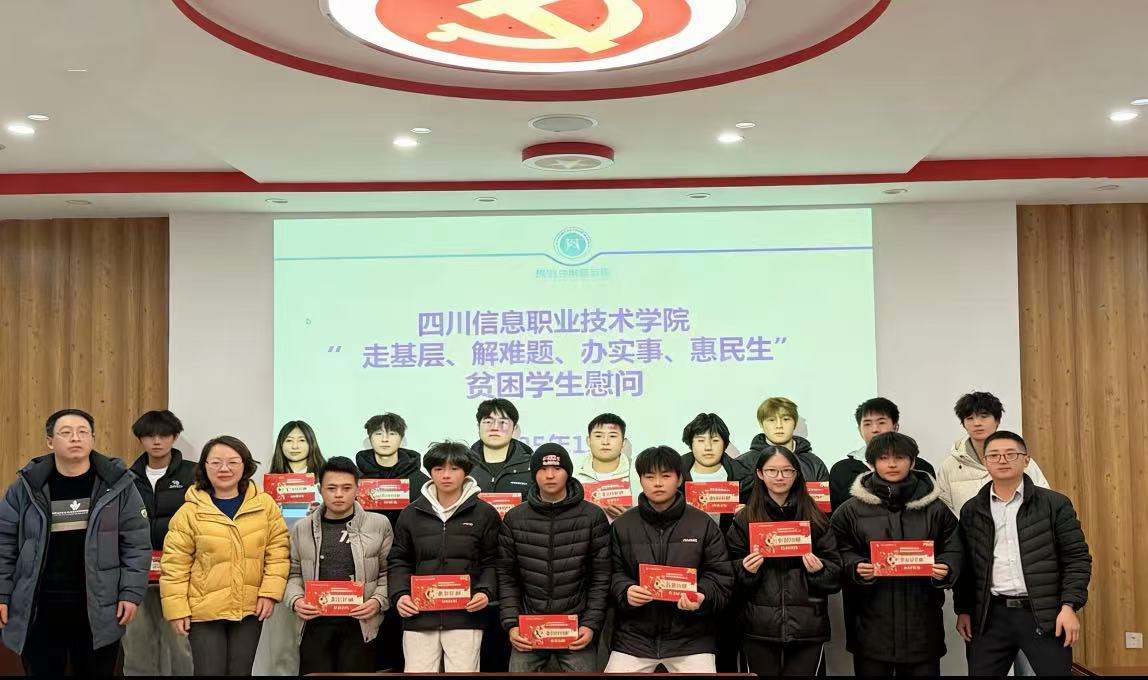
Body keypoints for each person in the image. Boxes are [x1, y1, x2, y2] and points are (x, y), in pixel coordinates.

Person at [0, 409, 151, 676]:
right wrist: (2, 594)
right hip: (39, 606)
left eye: (83, 432)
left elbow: (136, 544)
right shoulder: (26, 487)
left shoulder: (118, 486)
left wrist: (130, 593)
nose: (75, 438)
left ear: (92, 439)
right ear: (50, 442)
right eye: (66, 432)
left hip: (99, 607)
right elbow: (4, 543)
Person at [955, 431, 1091, 676]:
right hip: (990, 615)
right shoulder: (972, 509)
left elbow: (1076, 558)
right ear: (985, 462)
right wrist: (963, 609)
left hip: (1043, 613)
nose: (1002, 460)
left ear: (1026, 460)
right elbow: (967, 566)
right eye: (994, 455)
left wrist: (1069, 606)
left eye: (1011, 454)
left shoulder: (1054, 504)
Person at [831, 432, 962, 676]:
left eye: (900, 457)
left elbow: (954, 546)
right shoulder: (850, 510)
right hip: (869, 627)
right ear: (872, 463)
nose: (892, 464)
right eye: (884, 458)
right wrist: (855, 566)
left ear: (912, 461)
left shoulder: (935, 508)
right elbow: (835, 550)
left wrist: (946, 566)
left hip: (922, 627)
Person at [160, 435, 290, 676]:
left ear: (245, 465)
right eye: (216, 462)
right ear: (204, 466)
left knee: (241, 672)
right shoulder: (189, 512)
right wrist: (177, 609)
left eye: (232, 462)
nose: (224, 468)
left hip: (249, 608)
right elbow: (174, 565)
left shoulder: (264, 505)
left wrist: (270, 593)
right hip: (203, 611)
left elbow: (278, 552)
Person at [605, 445, 734, 673]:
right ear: (640, 479)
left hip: (692, 639)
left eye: (665, 476)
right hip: (633, 639)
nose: (657, 483)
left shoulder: (703, 524)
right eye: (649, 476)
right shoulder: (622, 525)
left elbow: (721, 577)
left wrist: (701, 595)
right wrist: (625, 590)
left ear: (679, 478)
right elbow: (610, 573)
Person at [726, 445, 842, 676]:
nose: (780, 477)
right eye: (772, 470)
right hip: (757, 627)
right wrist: (745, 569)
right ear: (760, 473)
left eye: (787, 471)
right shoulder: (745, 518)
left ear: (796, 474)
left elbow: (836, 573)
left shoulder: (815, 518)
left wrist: (820, 570)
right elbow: (727, 572)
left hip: (807, 627)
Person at [388, 441, 500, 673]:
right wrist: (400, 595)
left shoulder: (485, 513)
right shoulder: (411, 513)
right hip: (419, 616)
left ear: (466, 471)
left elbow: (492, 561)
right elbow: (399, 560)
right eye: (439, 469)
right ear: (430, 472)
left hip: (465, 617)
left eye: (454, 469)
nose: (446, 475)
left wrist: (485, 592)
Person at [497, 443, 610, 672]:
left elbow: (601, 576)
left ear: (568, 472)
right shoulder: (515, 517)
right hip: (528, 627)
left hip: (577, 627)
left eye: (557, 469)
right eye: (542, 469)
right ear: (534, 474)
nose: (550, 475)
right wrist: (512, 624)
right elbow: (507, 576)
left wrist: (590, 624)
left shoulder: (592, 516)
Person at [285, 457, 393, 675]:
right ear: (320, 490)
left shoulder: (379, 524)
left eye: (346, 488)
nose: (339, 494)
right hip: (315, 622)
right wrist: (296, 600)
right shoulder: (301, 527)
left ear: (358, 489)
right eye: (331, 488)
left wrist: (377, 601)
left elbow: (387, 572)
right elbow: (294, 572)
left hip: (361, 623)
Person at [123, 409, 197, 676]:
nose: (156, 441)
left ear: (174, 437)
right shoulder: (126, 478)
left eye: (164, 435)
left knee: (181, 647)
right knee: (138, 645)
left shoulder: (194, 474)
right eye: (149, 435)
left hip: (181, 573)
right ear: (140, 439)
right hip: (137, 573)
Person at [354, 412, 427, 671]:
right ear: (369, 438)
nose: (385, 439)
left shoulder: (420, 481)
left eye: (392, 433)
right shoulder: (356, 478)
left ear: (402, 438)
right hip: (366, 563)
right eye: (378, 433)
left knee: (403, 626)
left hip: (408, 563)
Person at [467, 398, 533, 671]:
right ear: (478, 426)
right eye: (488, 421)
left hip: (520, 567)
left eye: (503, 422)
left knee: (511, 650)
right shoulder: (462, 466)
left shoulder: (533, 467)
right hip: (472, 567)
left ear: (515, 429)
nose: (495, 427)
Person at [678, 412, 741, 673]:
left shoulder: (741, 475)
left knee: (726, 646)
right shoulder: (675, 473)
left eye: (714, 440)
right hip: (685, 567)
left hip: (728, 569)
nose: (707, 447)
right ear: (690, 443)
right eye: (700, 440)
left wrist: (746, 514)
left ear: (725, 443)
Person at [937, 392, 1050, 516]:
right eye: (970, 418)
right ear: (963, 424)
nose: (977, 423)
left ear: (997, 420)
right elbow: (944, 514)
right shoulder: (949, 467)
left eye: (984, 416)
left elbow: (1044, 500)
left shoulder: (1019, 459)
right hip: (969, 528)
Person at [828, 398, 936, 513]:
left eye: (881, 422)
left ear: (896, 426)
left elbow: (933, 513)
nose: (875, 429)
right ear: (860, 430)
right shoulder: (841, 470)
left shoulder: (922, 468)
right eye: (867, 424)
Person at [737, 398, 829, 503]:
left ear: (795, 424)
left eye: (786, 419)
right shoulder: (743, 464)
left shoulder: (814, 464)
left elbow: (823, 508)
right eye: (771, 420)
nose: (779, 426)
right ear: (761, 424)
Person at [573, 413, 638, 523]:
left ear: (623, 442)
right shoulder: (573, 476)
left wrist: (630, 520)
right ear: (588, 441)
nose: (605, 442)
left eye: (612, 436)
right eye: (598, 436)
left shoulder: (638, 473)